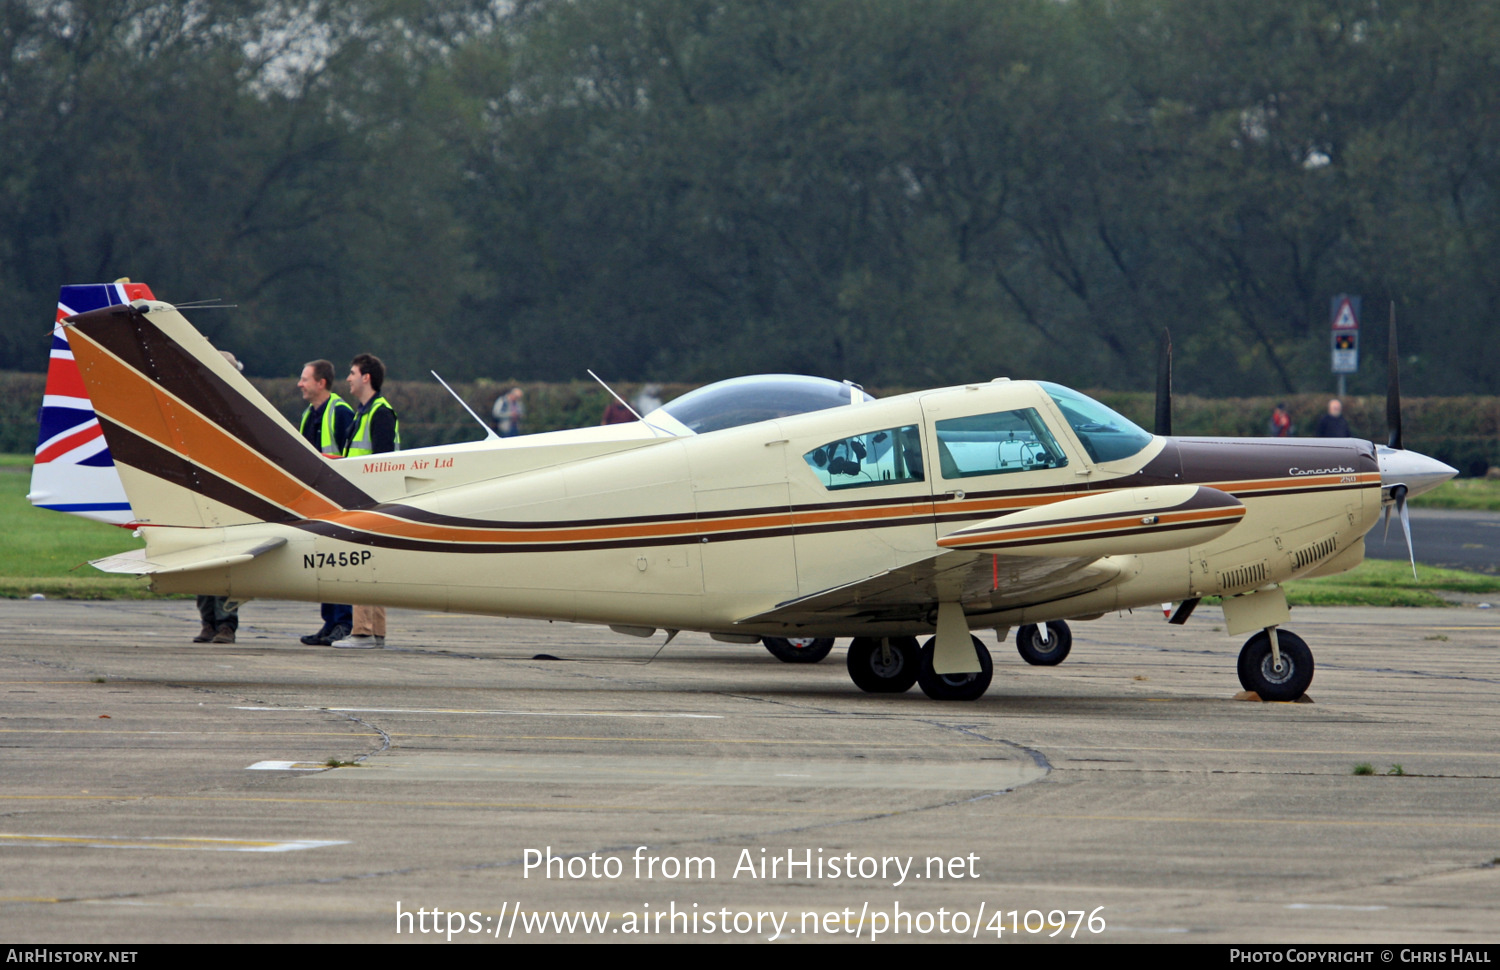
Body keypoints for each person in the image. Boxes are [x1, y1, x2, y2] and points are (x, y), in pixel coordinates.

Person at [330, 353, 400, 649]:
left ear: (366, 377)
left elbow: (383, 462)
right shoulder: (365, 411)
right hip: (364, 498)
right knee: (374, 564)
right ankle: (376, 632)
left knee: (362, 564)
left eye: (352, 372)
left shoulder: (379, 412)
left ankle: (362, 631)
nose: (348, 378)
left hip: (369, 500)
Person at [295, 359, 356, 647]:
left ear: (321, 383)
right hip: (317, 501)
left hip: (339, 500)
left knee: (339, 562)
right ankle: (329, 621)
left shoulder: (341, 411)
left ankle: (343, 621)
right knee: (323, 562)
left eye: (305, 379)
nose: (300, 384)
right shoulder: (309, 414)